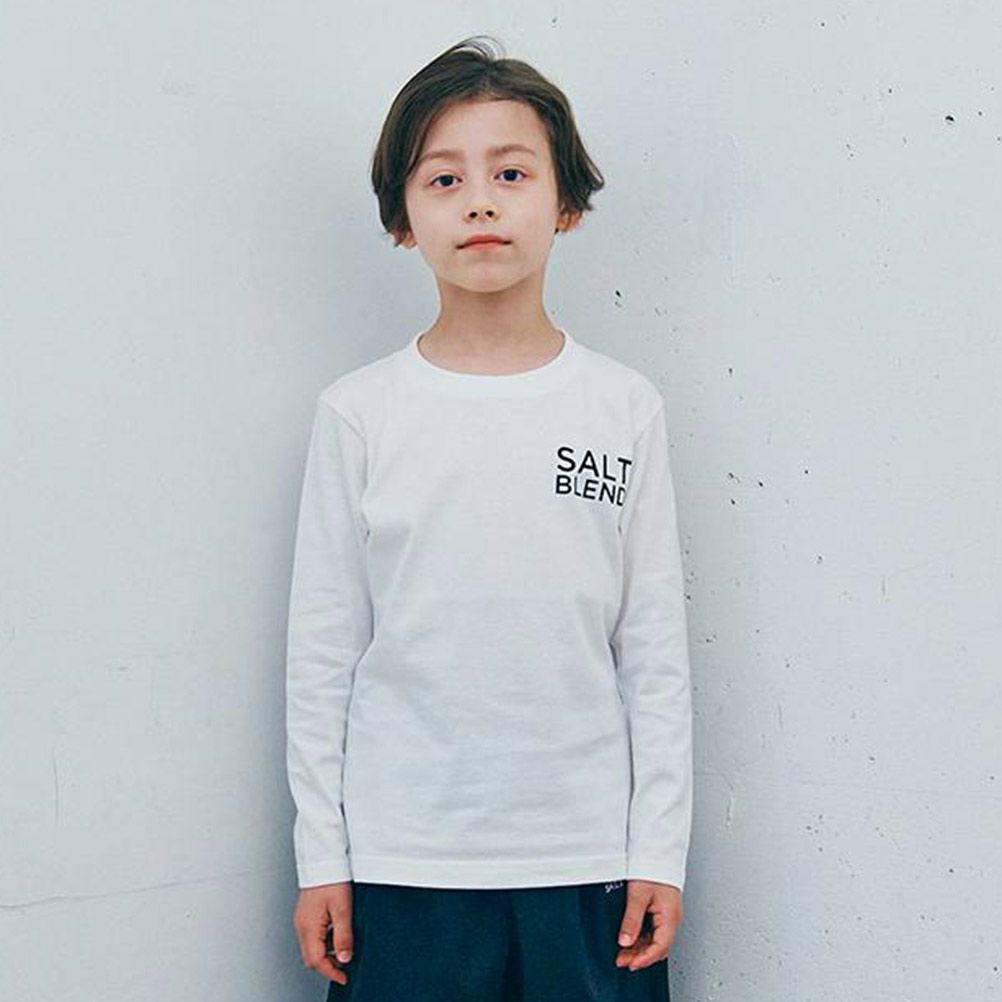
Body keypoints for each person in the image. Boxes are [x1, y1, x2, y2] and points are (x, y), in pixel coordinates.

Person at [285, 34, 693, 1002]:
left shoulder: (623, 408)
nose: (479, 202)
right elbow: (323, 653)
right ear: (403, 219)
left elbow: (654, 649)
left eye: (510, 173)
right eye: (444, 178)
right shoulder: (360, 413)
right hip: (405, 863)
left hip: (587, 862)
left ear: (564, 203)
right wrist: (322, 856)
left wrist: (659, 849)